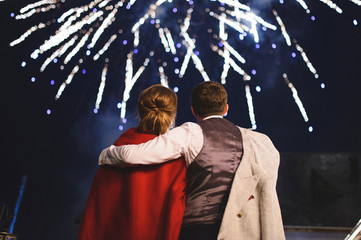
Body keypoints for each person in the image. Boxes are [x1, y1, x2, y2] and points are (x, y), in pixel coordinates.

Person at [99, 81, 285, 240]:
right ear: (226, 109)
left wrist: (107, 154)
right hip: (243, 230)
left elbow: (133, 155)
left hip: (198, 230)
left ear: (193, 109)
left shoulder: (191, 132)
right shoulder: (258, 141)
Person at [77, 84, 187, 240]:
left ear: (140, 111)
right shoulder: (178, 161)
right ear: (173, 115)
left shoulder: (115, 152)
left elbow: (94, 217)